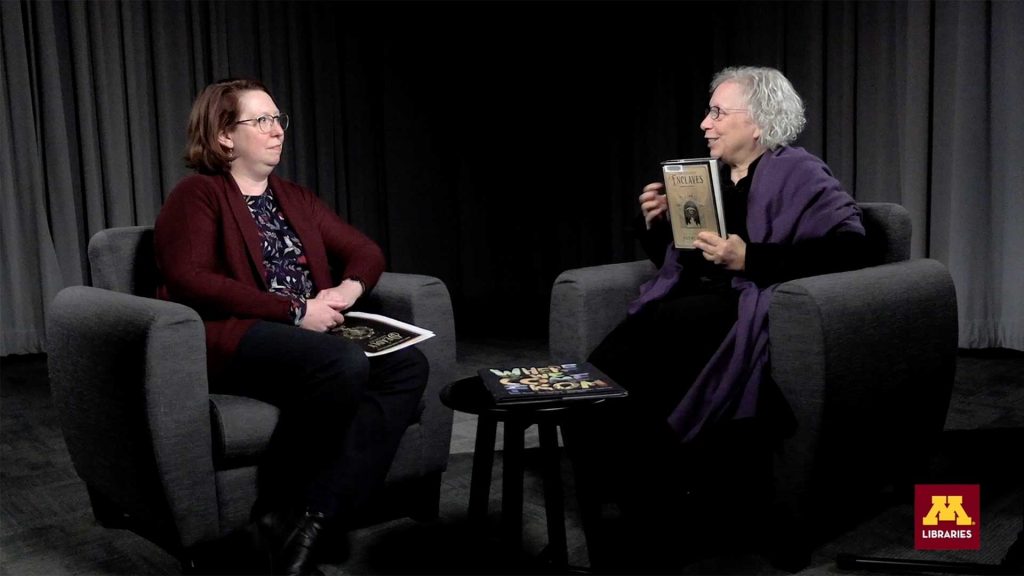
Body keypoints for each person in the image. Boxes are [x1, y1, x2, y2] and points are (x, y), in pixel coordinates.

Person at [575, 66, 870, 568]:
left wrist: (749, 258)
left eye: (717, 113)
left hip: (744, 304)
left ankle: (649, 519)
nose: (704, 124)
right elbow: (684, 262)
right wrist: (656, 226)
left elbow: (851, 250)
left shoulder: (798, 171)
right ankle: (627, 505)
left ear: (757, 123)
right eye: (708, 112)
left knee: (633, 372)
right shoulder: (706, 179)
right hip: (687, 303)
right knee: (600, 373)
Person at [154, 78, 428, 576]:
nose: (277, 130)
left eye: (279, 118)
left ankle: (314, 519)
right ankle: (278, 514)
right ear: (223, 136)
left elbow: (365, 251)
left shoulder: (295, 198)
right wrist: (296, 311)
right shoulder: (196, 195)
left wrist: (345, 292)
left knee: (407, 364)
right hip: (235, 335)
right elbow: (188, 279)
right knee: (342, 362)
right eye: (261, 120)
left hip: (309, 330)